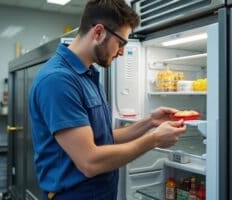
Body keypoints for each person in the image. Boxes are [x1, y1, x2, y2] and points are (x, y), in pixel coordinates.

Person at [28, 0, 187, 199]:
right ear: (98, 32)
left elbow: (102, 137)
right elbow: (89, 161)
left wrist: (150, 122)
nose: (121, 51)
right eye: (120, 42)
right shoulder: (58, 80)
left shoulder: (88, 75)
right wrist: (154, 139)